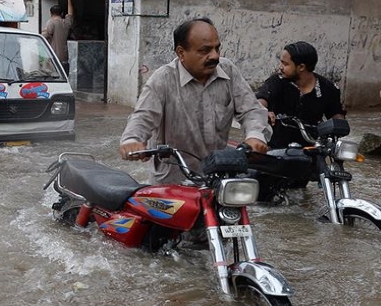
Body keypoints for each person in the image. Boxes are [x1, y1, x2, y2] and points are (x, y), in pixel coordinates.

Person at [119, 17, 271, 185]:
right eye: (205, 50)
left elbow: (250, 109)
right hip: (173, 181)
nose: (214, 56)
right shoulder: (163, 79)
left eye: (217, 48)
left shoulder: (228, 70)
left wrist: (255, 135)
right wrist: (132, 141)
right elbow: (143, 117)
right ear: (181, 52)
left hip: (218, 176)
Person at [255, 41, 346, 148]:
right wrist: (263, 111)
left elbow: (336, 114)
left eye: (285, 64)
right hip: (274, 147)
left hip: (311, 149)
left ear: (301, 67)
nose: (280, 67)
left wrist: (339, 125)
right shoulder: (276, 81)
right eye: (281, 62)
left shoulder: (327, 88)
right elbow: (262, 99)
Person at [41, 0, 74, 71]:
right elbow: (70, 14)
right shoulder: (66, 22)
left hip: (53, 58)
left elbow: (44, 36)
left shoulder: (51, 22)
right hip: (64, 58)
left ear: (51, 14)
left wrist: (44, 31)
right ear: (62, 14)